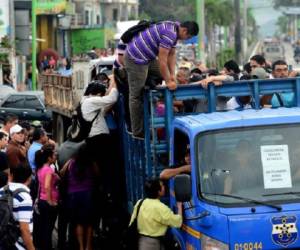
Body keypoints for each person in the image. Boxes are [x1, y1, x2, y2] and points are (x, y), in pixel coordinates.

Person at [124, 21, 199, 138]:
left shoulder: (175, 28)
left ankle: (147, 82)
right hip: (136, 58)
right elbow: (162, 61)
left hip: (148, 57)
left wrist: (172, 75)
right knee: (136, 96)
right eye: (188, 37)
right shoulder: (170, 34)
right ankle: (138, 131)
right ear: (184, 31)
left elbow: (172, 54)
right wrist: (168, 81)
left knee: (162, 74)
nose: (186, 39)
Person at [60, 144, 99, 250]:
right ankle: (88, 246)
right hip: (87, 194)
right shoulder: (91, 162)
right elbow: (97, 174)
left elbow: (62, 173)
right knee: (89, 222)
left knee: (78, 222)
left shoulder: (72, 162)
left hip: (73, 195)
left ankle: (81, 247)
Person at [130, 178, 182, 250]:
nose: (164, 187)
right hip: (153, 244)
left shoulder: (140, 202)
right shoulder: (161, 208)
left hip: (140, 241)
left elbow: (132, 222)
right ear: (158, 191)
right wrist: (179, 206)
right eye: (162, 186)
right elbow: (178, 222)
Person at [0, 164, 35, 250]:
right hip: (17, 244)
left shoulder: (1, 190)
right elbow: (24, 229)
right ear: (29, 178)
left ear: (11, 175)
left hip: (3, 240)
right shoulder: (24, 198)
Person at [34, 144, 59, 250]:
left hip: (42, 200)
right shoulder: (48, 169)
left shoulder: (40, 168)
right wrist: (50, 201)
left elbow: (41, 184)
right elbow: (47, 186)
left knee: (44, 227)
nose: (55, 157)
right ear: (49, 158)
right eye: (54, 155)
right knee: (48, 228)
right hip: (48, 201)